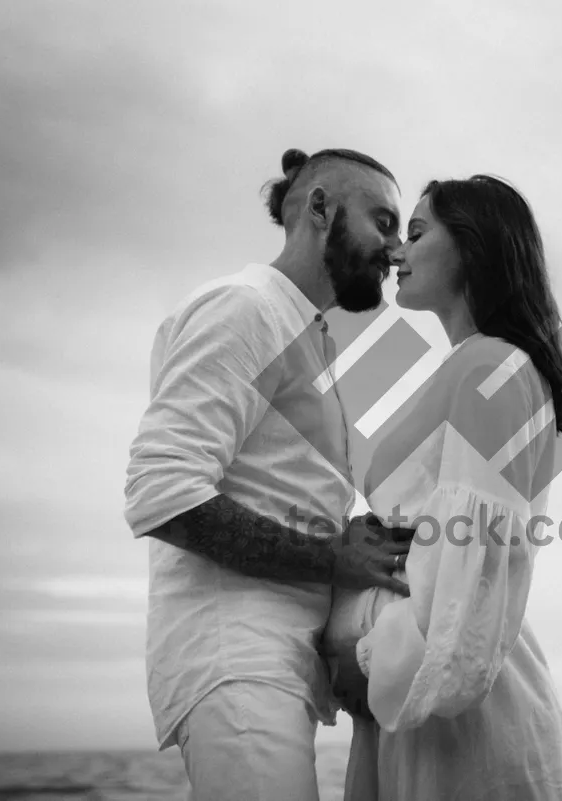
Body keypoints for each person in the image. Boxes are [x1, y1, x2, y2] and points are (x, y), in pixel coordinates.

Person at [123, 147, 414, 800]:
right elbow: (161, 492)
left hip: (276, 666)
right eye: (384, 222)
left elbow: (283, 494)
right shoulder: (245, 307)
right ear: (319, 209)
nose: (396, 251)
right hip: (236, 661)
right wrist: (332, 558)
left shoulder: (312, 336)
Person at [321, 175, 562, 800]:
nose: (395, 253)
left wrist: (365, 663)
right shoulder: (481, 364)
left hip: (449, 710)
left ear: (471, 246)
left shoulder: (488, 366)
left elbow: (475, 564)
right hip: (420, 700)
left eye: (415, 233)